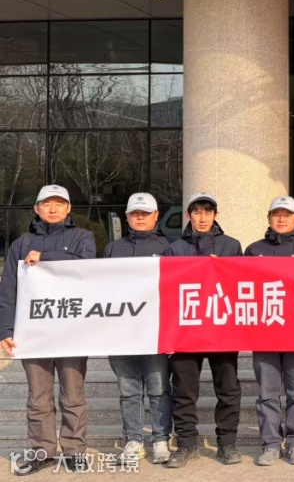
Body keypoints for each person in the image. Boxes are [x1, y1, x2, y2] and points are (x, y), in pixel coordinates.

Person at [0, 185, 96, 476]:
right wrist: (6, 329)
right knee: (38, 397)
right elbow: (8, 290)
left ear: (68, 208)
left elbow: (88, 268)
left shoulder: (83, 237)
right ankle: (41, 452)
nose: (53, 209)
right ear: (36, 209)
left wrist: (45, 257)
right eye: (46, 204)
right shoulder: (21, 244)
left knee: (73, 395)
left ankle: (74, 452)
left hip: (71, 332)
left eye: (59, 203)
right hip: (34, 332)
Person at [163, 192, 243, 468]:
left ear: (215, 215)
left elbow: (242, 284)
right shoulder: (174, 248)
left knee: (228, 388)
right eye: (197, 212)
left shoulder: (232, 245)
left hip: (222, 328)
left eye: (208, 212)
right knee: (184, 390)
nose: (202, 217)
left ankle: (227, 443)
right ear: (188, 215)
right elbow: (166, 288)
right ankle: (186, 445)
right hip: (185, 329)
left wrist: (221, 270)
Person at [245, 196, 294, 466]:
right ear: (268, 218)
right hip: (264, 331)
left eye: (287, 215)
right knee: (267, 392)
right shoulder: (253, 250)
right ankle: (271, 444)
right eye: (276, 214)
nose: (281, 219)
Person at [104, 193, 173, 466]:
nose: (140, 217)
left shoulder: (170, 248)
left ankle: (160, 439)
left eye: (145, 213)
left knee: (158, 389)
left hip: (156, 332)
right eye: (135, 213)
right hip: (120, 332)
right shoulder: (112, 249)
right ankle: (133, 439)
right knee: (128, 391)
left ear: (156, 216)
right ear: (127, 217)